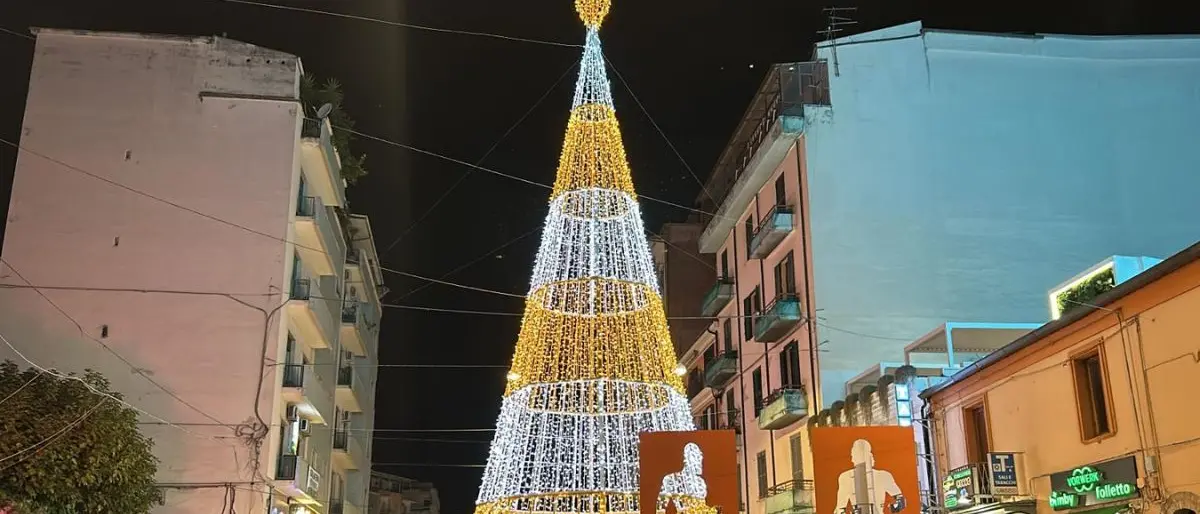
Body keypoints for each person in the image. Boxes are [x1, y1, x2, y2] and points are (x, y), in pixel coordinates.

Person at [833, 439, 907, 514]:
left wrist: (894, 507)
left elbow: (901, 500)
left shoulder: (883, 476)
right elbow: (840, 509)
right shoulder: (846, 477)